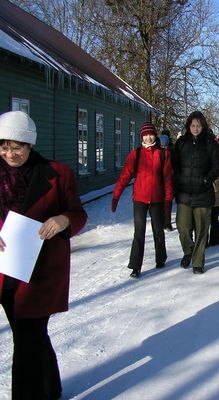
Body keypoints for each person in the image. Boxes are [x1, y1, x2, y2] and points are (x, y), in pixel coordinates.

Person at [0, 111, 88, 399]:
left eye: (17, 147)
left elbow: (78, 214)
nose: (10, 153)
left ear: (29, 145)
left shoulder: (57, 174)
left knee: (27, 339)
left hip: (40, 273)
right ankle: (51, 388)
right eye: (4, 146)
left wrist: (63, 221)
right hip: (4, 273)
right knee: (31, 337)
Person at [112, 122, 173, 278]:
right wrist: (116, 195)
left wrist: (167, 201)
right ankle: (135, 266)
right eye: (145, 134)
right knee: (138, 233)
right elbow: (125, 175)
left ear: (155, 135)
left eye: (150, 134)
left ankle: (161, 259)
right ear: (141, 137)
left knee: (158, 231)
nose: (148, 137)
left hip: (157, 199)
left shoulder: (163, 154)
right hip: (139, 198)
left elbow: (167, 180)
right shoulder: (136, 154)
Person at [172, 111, 219, 274]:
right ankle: (188, 251)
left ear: (203, 126)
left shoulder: (210, 143)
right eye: (192, 125)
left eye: (198, 125)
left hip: (203, 193)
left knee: (201, 230)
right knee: (183, 227)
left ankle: (198, 262)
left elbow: (217, 167)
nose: (195, 128)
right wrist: (179, 180)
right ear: (188, 126)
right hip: (184, 193)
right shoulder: (181, 143)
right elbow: (174, 165)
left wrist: (206, 180)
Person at [159, 133, 174, 232]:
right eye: (162, 146)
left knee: (168, 203)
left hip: (169, 181)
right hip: (159, 182)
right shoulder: (157, 153)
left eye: (165, 146)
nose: (163, 147)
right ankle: (162, 221)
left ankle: (167, 223)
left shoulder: (172, 153)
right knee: (161, 203)